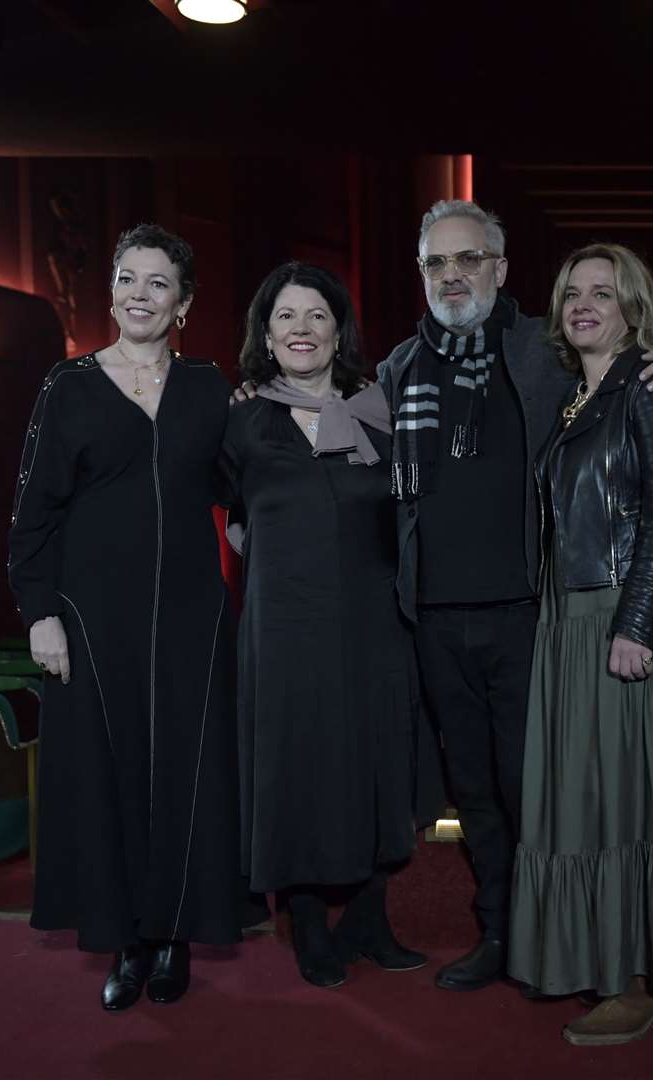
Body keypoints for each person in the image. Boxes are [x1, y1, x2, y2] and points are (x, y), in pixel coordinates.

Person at [373, 200, 653, 992]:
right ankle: (499, 933)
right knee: (476, 793)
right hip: (434, 621)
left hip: (531, 616)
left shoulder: (543, 351)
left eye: (468, 259)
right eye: (435, 263)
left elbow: (625, 357)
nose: (452, 275)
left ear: (501, 268)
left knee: (543, 793)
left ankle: (551, 937)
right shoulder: (396, 369)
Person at [9, 223, 247, 1011]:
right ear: (111, 289)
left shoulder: (212, 387)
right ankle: (128, 942)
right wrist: (40, 614)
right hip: (90, 618)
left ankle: (175, 934)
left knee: (186, 772)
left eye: (157, 283)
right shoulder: (67, 385)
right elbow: (31, 516)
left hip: (190, 616)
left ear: (183, 302)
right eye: (127, 279)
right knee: (109, 777)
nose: (138, 295)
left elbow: (243, 491)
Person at [507, 243, 653, 1045]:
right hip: (571, 619)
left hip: (628, 619)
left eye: (602, 292)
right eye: (572, 293)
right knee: (591, 796)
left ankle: (650, 977)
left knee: (634, 793)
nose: (583, 305)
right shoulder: (580, 394)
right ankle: (606, 961)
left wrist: (637, 623)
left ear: (635, 306)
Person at [220, 261, 423, 990]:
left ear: (339, 332)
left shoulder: (382, 411)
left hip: (373, 621)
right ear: (266, 335)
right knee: (296, 766)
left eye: (316, 317)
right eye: (285, 317)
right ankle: (306, 922)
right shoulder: (241, 421)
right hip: (283, 631)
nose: (301, 330)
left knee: (376, 761)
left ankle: (370, 916)